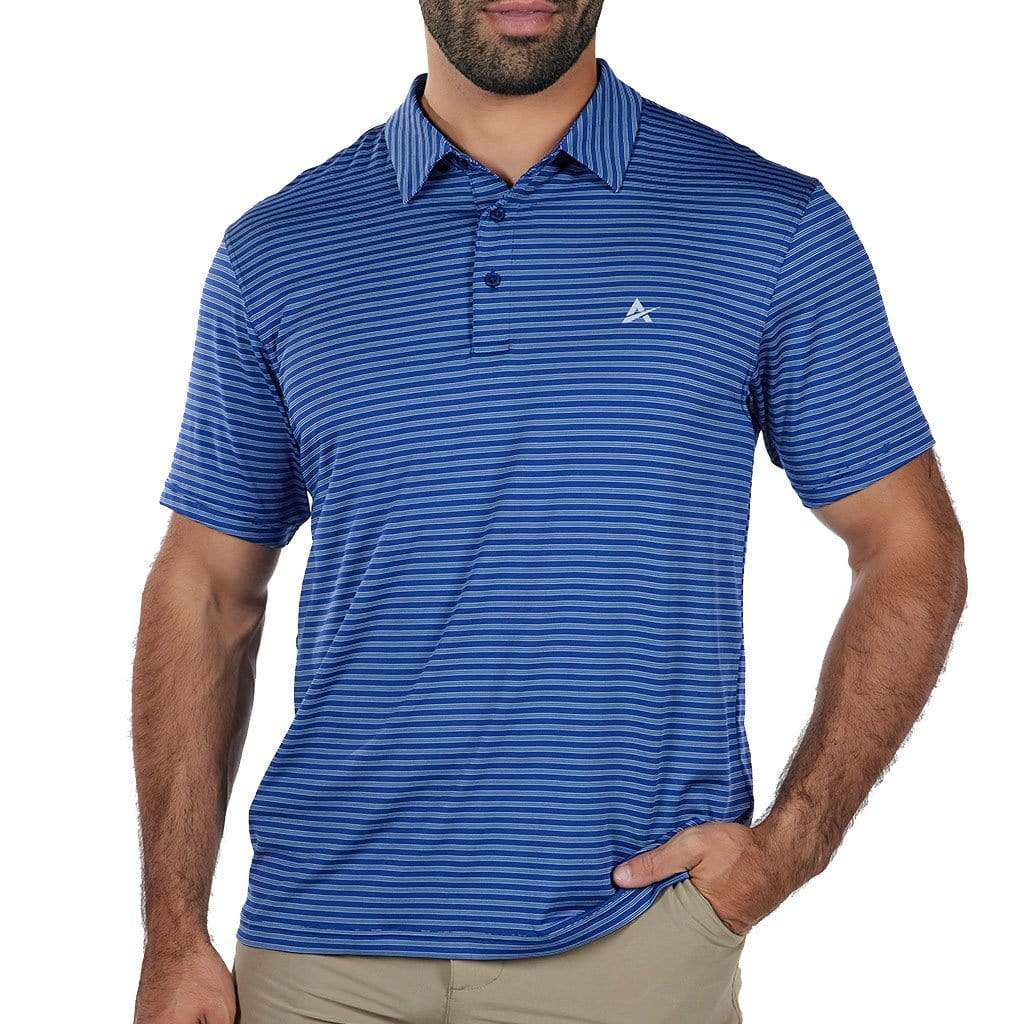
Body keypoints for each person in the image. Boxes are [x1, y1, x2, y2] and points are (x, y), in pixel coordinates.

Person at [131, 2, 967, 1021]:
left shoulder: (764, 224)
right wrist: (173, 931)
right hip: (317, 951)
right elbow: (206, 589)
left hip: (628, 943)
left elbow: (907, 542)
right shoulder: (278, 250)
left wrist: (791, 846)